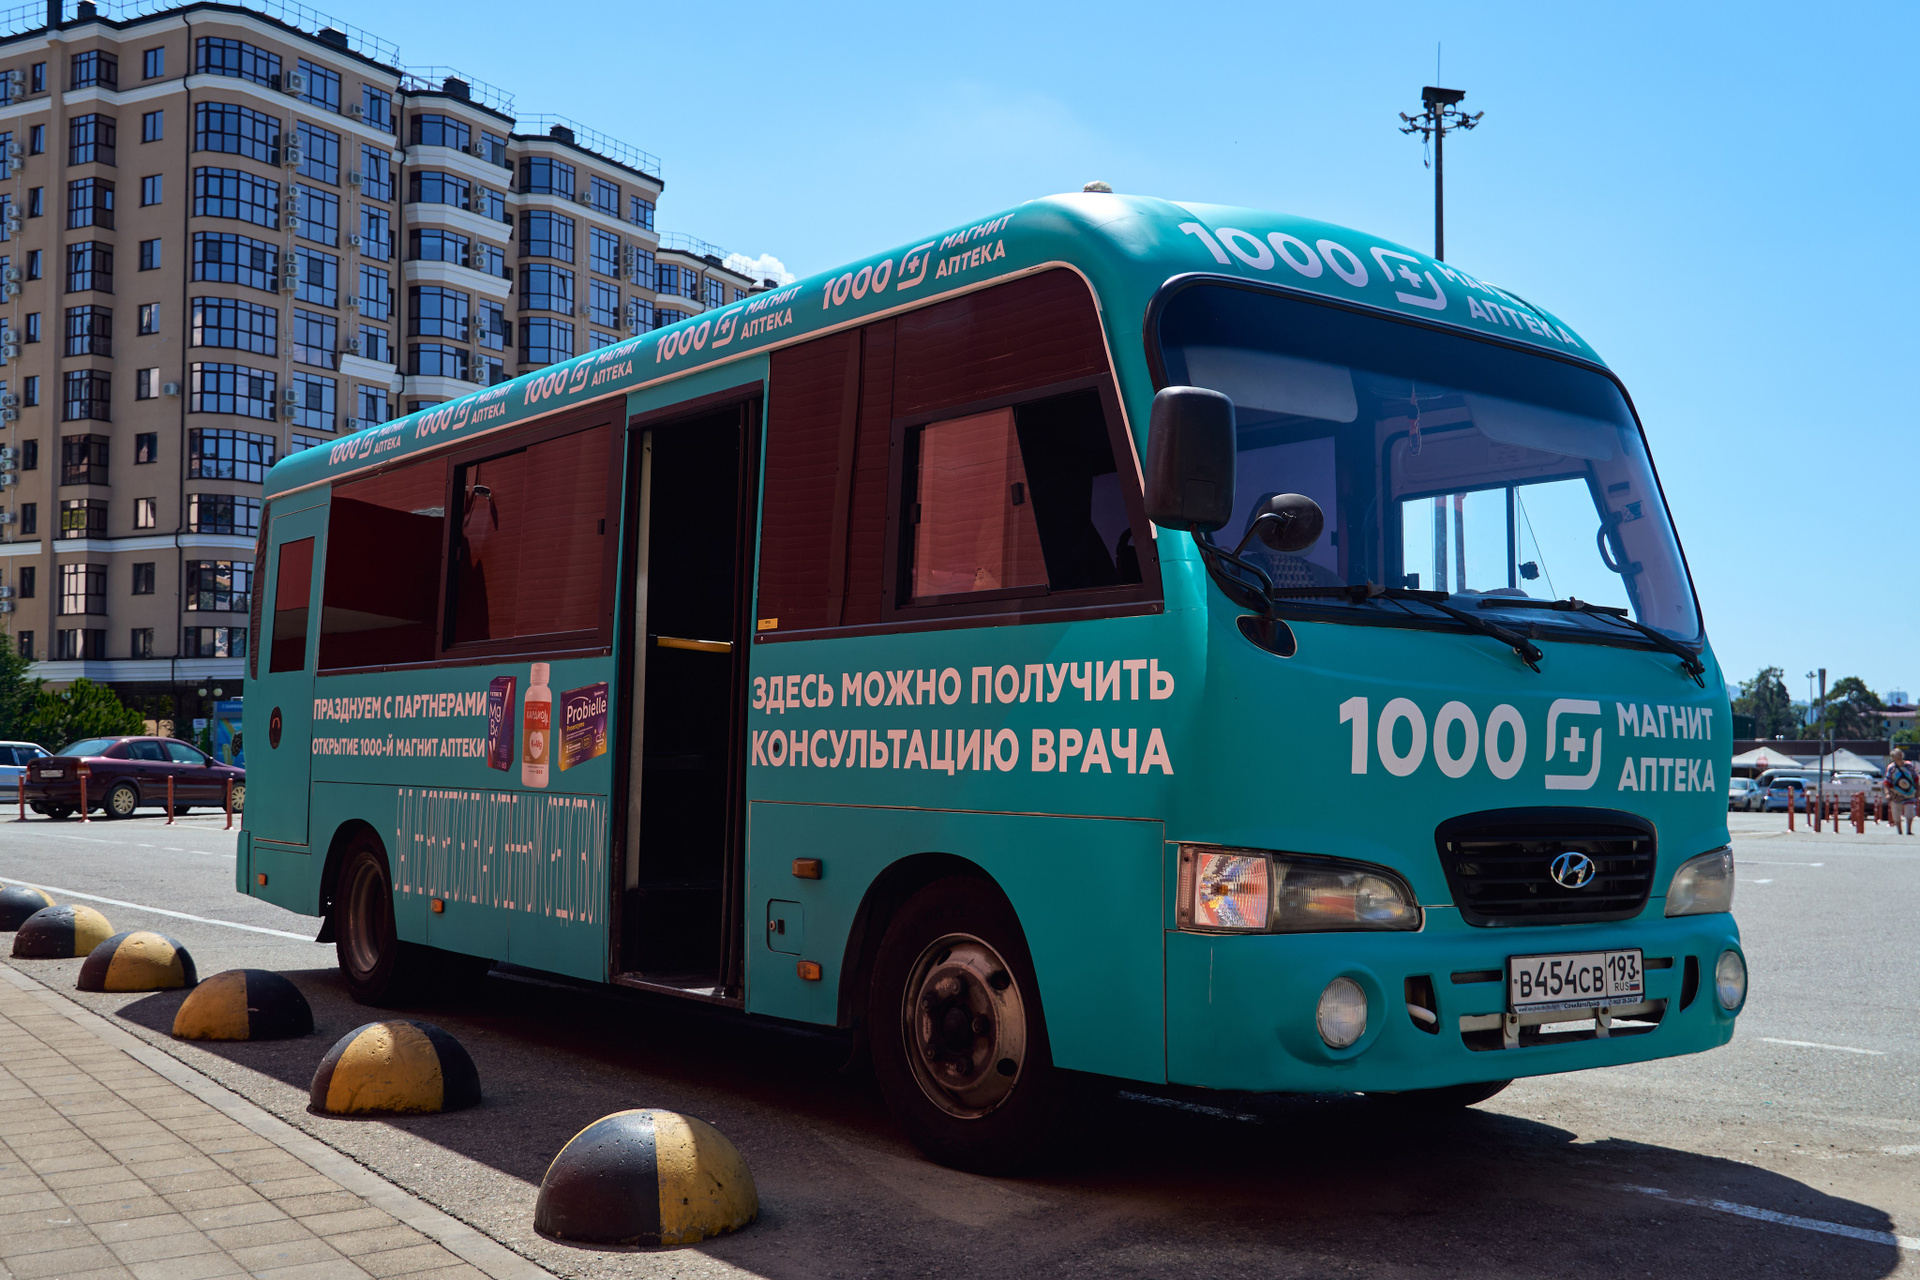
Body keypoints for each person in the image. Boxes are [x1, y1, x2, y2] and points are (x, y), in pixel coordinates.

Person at [1885, 749, 1918, 836]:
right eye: (1897, 755)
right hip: (1896, 794)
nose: (1900, 757)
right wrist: (1887, 793)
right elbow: (1887, 782)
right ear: (1893, 757)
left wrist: (1918, 791)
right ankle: (1899, 831)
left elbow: (1915, 779)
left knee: (1910, 812)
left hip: (1909, 793)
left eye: (1900, 755)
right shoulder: (1891, 768)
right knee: (1896, 813)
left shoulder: (1909, 766)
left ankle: (1909, 830)